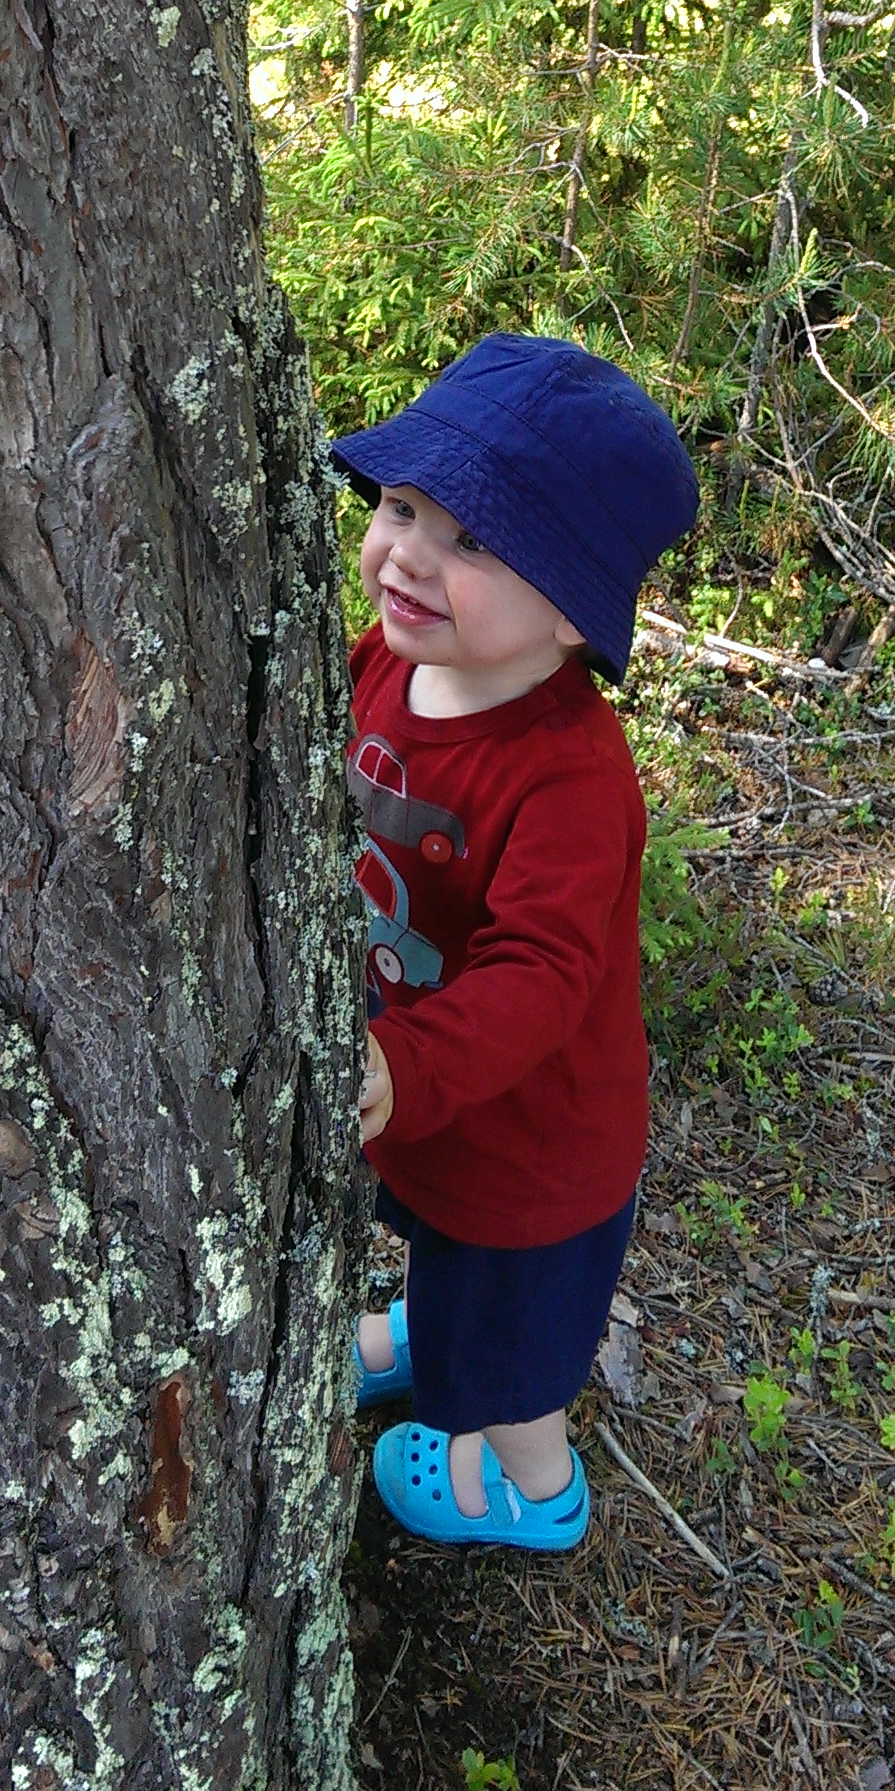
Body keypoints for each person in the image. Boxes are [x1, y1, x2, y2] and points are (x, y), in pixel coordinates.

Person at [330, 332, 698, 1549]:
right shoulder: (387, 663)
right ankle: (425, 1331)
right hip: (426, 1091)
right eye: (401, 507)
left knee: (510, 1338)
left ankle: (534, 1488)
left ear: (571, 615)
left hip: (529, 1145)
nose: (409, 555)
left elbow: (542, 977)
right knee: (438, 1245)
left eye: (473, 541)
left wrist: (406, 1065)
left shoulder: (568, 777)